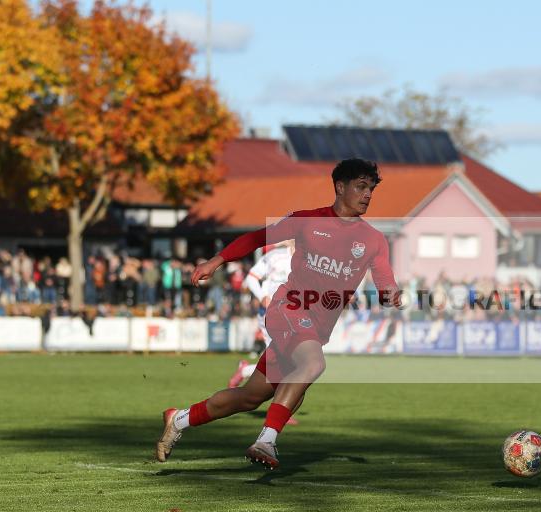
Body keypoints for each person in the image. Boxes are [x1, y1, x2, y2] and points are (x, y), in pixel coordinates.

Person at [155, 158, 402, 469]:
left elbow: (384, 279)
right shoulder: (306, 220)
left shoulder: (374, 240)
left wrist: (390, 293)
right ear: (340, 187)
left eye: (371, 189)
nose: (368, 194)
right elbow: (256, 238)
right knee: (312, 364)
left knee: (249, 397)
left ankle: (178, 419)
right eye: (361, 187)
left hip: (315, 327)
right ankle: (266, 440)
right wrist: (215, 261)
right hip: (288, 308)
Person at [228, 240, 295, 388]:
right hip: (270, 313)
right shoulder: (274, 256)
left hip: (291, 315)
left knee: (284, 364)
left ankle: (245, 370)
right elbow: (251, 277)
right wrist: (261, 296)